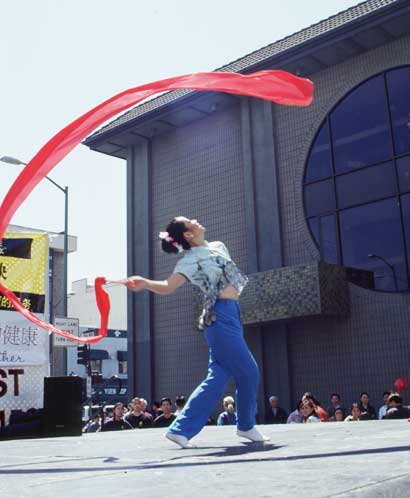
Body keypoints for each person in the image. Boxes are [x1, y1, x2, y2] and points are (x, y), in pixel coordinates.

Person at [122, 216, 268, 447]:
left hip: (232, 314)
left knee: (218, 377)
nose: (196, 220)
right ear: (188, 235)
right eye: (190, 222)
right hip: (218, 317)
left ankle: (181, 430)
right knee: (248, 371)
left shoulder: (218, 246)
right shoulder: (189, 261)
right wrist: (145, 283)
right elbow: (169, 286)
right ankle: (246, 426)